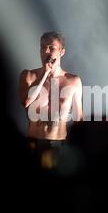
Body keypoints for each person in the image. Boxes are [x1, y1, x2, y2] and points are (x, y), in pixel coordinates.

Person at [19, 31, 83, 168]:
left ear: (61, 52)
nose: (46, 51)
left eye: (51, 47)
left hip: (57, 143)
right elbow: (25, 101)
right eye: (42, 47)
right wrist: (45, 74)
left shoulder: (73, 81)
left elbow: (79, 119)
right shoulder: (28, 75)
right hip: (32, 142)